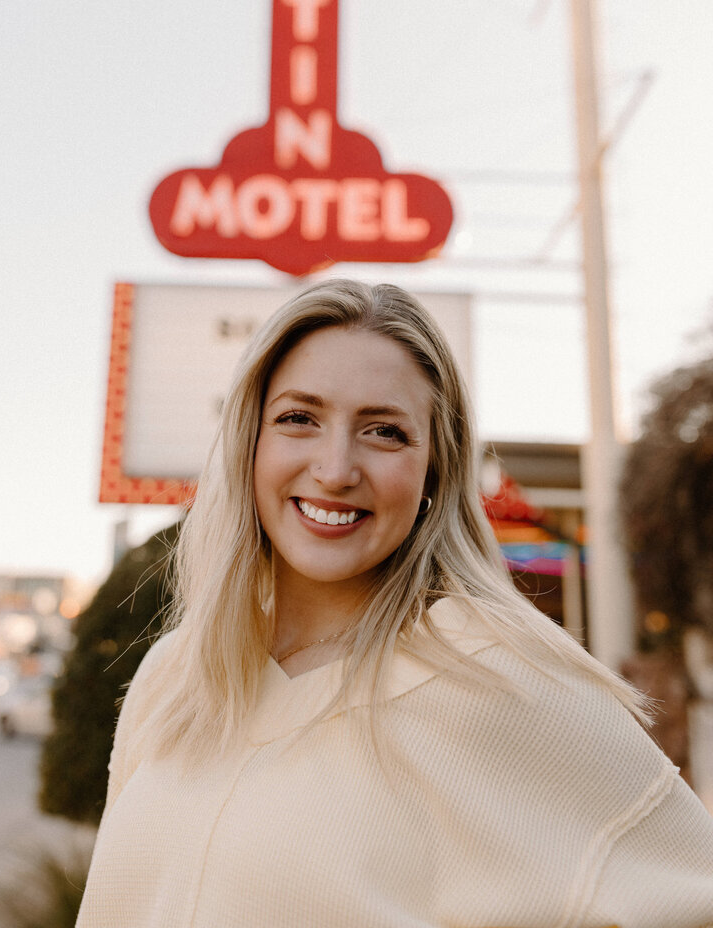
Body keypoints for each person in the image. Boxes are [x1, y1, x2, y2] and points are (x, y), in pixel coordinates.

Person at [76, 279, 713, 928]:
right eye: (299, 418)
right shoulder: (175, 676)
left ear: (434, 468)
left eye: (384, 431)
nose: (335, 468)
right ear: (250, 443)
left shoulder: (493, 677)